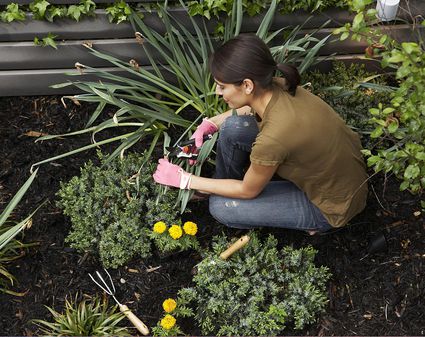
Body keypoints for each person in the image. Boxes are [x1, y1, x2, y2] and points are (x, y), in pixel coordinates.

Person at [153, 33, 368, 233]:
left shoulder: (273, 139)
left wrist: (186, 180)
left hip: (332, 205)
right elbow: (251, 107)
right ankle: (223, 184)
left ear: (247, 85)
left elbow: (248, 191)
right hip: (344, 174)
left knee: (221, 206)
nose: (218, 92)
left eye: (221, 86)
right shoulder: (278, 86)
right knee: (232, 127)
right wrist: (211, 123)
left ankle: (318, 225)